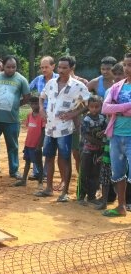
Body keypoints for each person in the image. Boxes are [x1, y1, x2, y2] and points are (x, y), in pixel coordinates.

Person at [37, 56, 90, 202]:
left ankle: (65, 192)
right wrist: (41, 108)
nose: (61, 70)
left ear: (71, 68)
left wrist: (75, 113)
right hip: (50, 127)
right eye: (59, 67)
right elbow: (42, 96)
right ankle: (48, 189)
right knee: (48, 157)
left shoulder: (78, 86)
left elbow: (89, 103)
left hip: (65, 129)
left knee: (64, 159)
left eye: (64, 68)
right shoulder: (51, 83)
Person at [0, 55, 31, 179]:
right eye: (8, 67)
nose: (11, 69)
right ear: (3, 67)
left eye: (13, 67)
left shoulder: (21, 80)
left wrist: (17, 104)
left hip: (12, 120)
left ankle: (14, 170)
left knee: (13, 146)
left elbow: (27, 96)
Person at [101, 52, 131, 217]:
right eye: (125, 64)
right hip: (116, 135)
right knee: (118, 173)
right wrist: (127, 107)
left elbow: (112, 109)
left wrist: (118, 108)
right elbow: (105, 108)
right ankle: (121, 206)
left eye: (130, 65)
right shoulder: (116, 87)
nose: (127, 68)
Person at [77, 96, 106, 205]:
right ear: (88, 107)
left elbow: (106, 130)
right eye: (92, 107)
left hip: (97, 151)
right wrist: (100, 143)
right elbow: (86, 136)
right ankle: (81, 196)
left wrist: (103, 133)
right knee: (84, 173)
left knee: (95, 173)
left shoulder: (102, 118)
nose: (94, 109)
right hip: (86, 150)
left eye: (97, 107)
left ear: (101, 106)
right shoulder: (86, 119)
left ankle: (91, 196)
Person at [13, 96, 45, 189]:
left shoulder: (42, 116)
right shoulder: (29, 115)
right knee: (27, 161)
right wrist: (26, 144)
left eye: (36, 103)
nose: (33, 105)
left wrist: (39, 145)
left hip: (36, 144)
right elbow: (29, 130)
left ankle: (40, 182)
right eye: (32, 103)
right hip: (28, 143)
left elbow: (43, 131)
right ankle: (23, 180)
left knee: (38, 163)